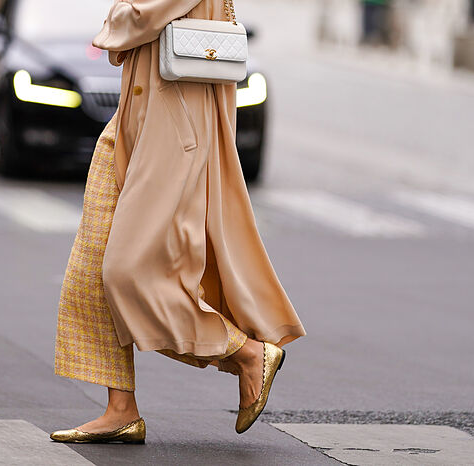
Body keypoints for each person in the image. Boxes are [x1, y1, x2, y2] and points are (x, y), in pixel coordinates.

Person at [51, 0, 306, 443]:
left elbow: (141, 15)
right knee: (91, 265)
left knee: (127, 272)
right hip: (136, 112)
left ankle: (246, 353)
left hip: (172, 118)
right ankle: (121, 408)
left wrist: (114, 19)